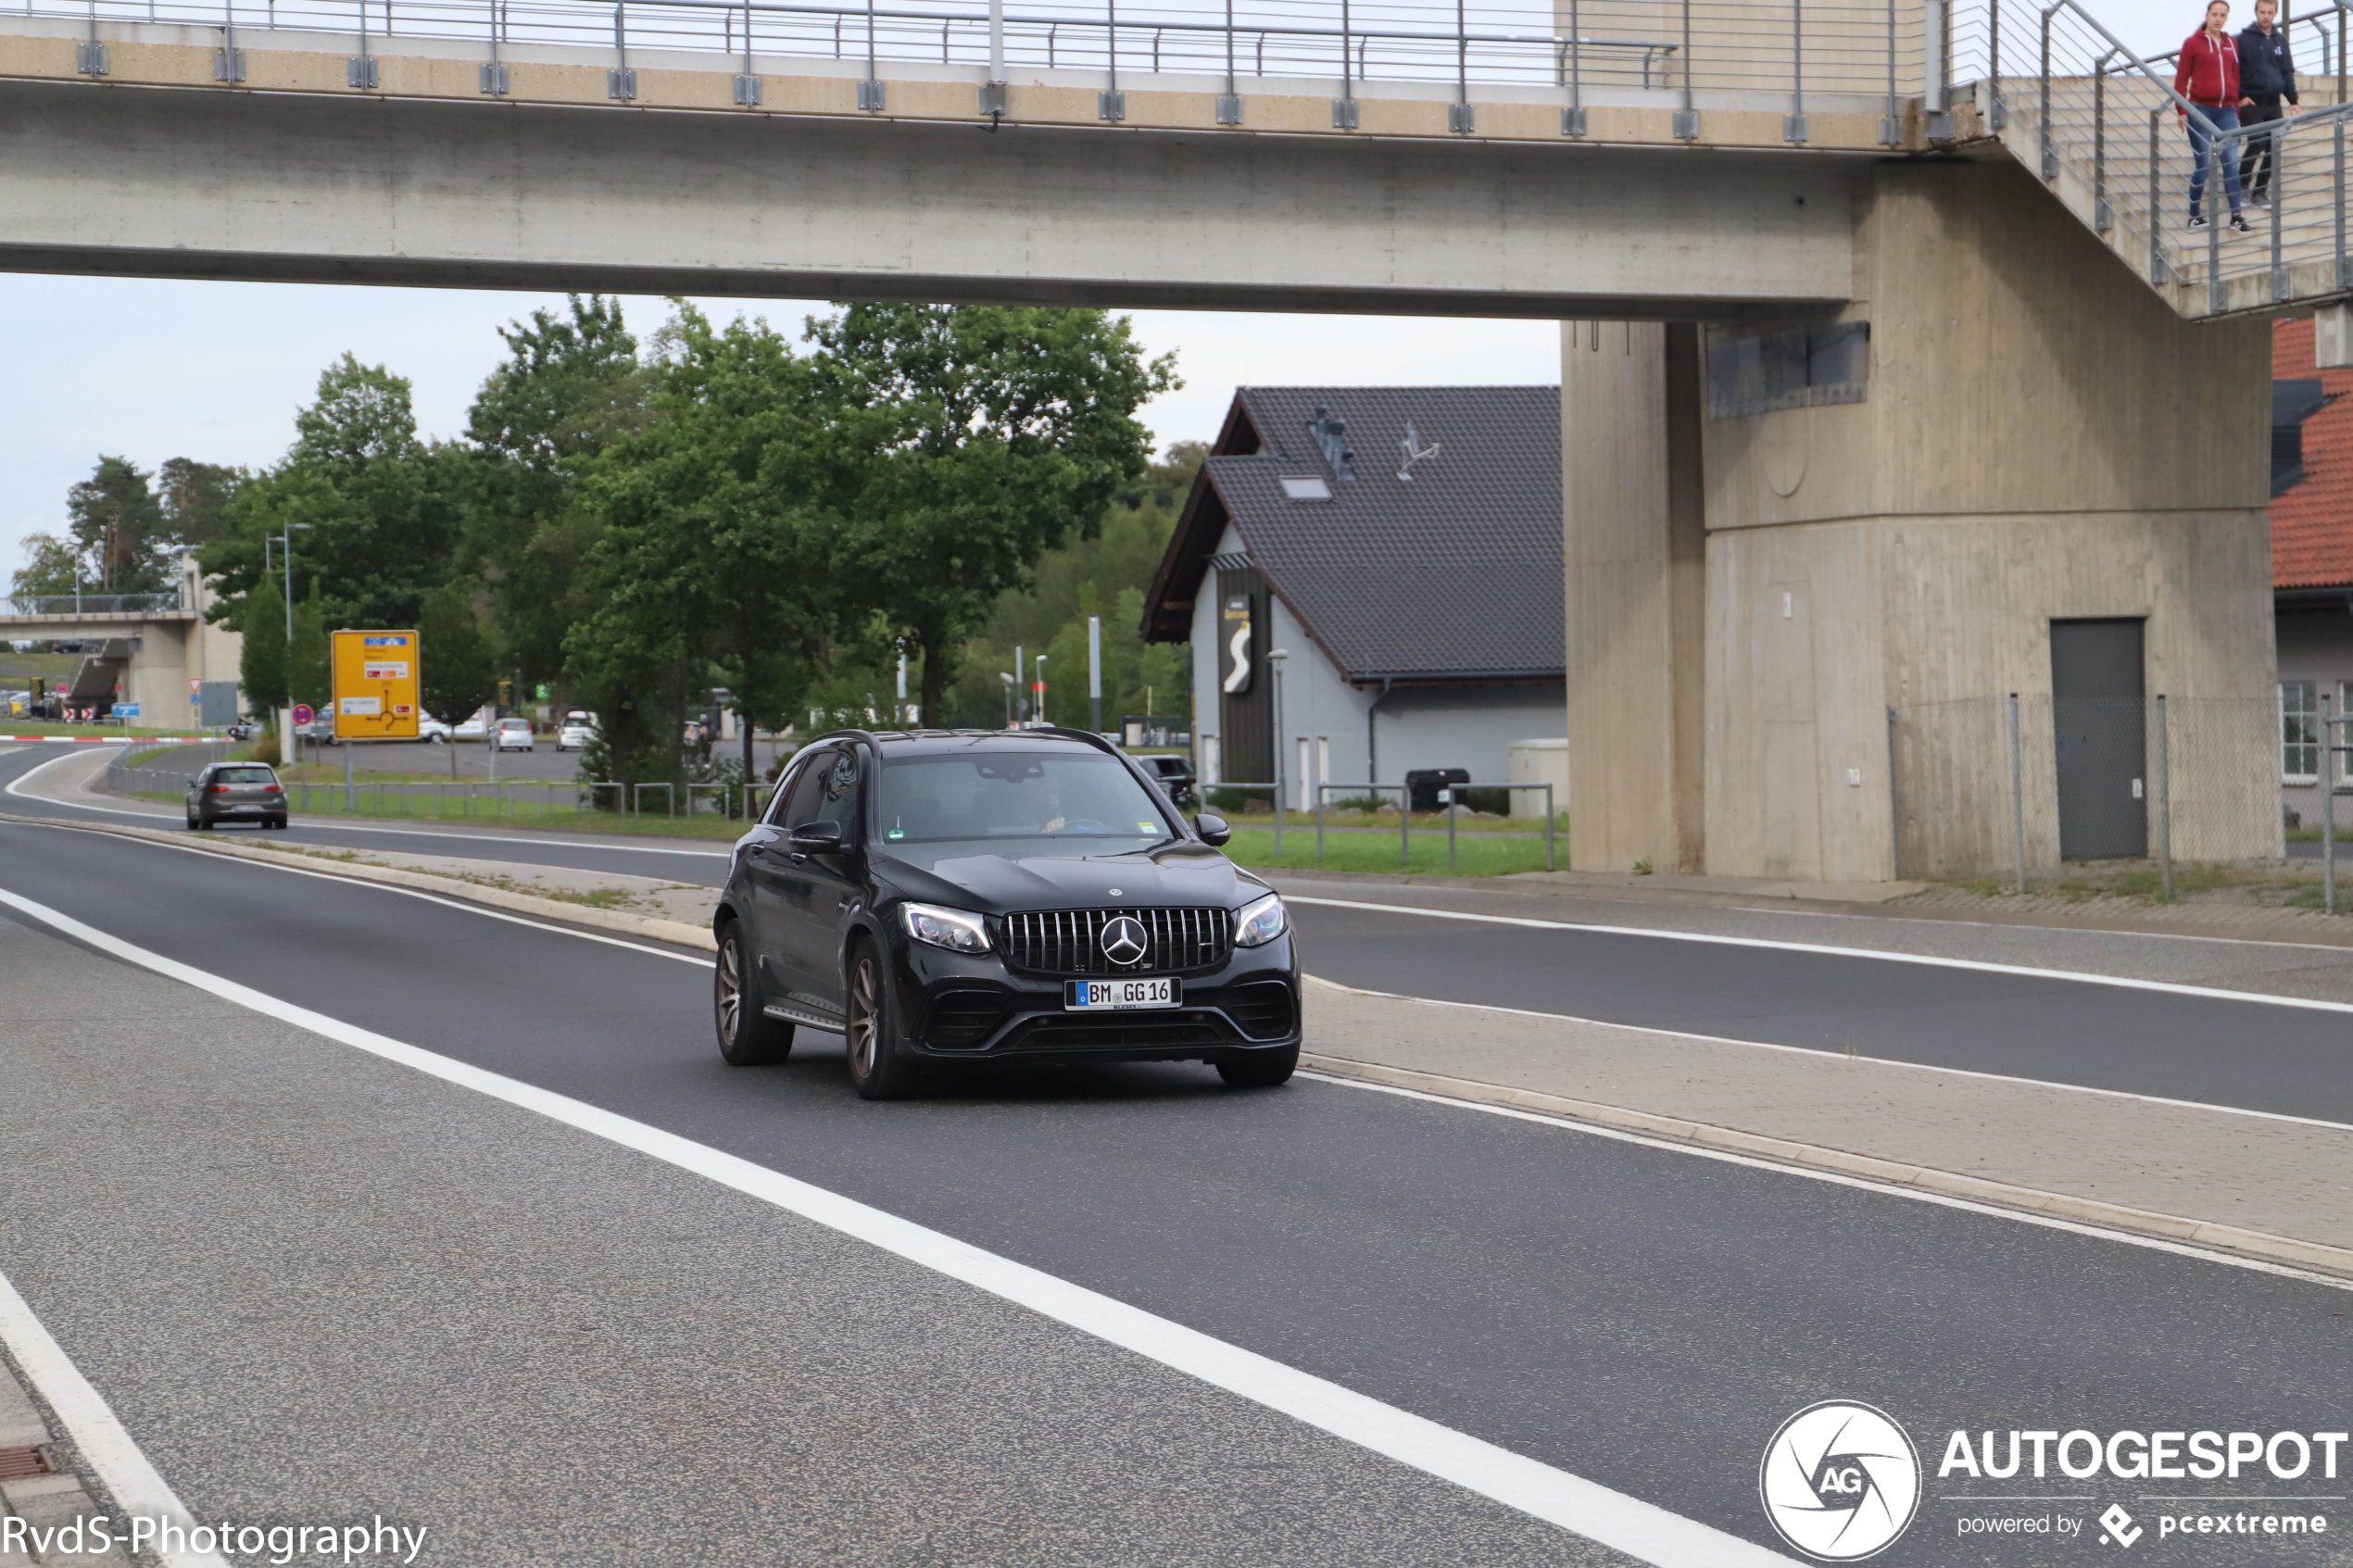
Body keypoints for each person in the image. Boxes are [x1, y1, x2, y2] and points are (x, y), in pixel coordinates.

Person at [2176, 0, 2252, 233]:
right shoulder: (2192, 43)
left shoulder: (2232, 44)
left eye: (2222, 15)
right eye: (2214, 14)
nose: (2217, 19)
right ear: (2207, 15)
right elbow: (2181, 79)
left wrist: (2236, 111)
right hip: (2200, 110)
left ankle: (2236, 216)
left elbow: (2235, 77)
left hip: (2227, 111)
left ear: (2226, 17)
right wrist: (2182, 111)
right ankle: (2194, 215)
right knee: (2204, 162)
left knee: (2230, 160)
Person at [2237, 0, 2299, 207]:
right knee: (2256, 142)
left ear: (2275, 14)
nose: (2265, 16)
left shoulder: (2280, 41)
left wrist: (2293, 100)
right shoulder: (2243, 40)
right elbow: (2233, 72)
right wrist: (2239, 97)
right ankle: (2242, 187)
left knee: (2273, 146)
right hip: (2251, 101)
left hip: (2273, 102)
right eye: (2262, 12)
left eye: (2269, 12)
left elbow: (2287, 71)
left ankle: (2260, 192)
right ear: (2256, 12)